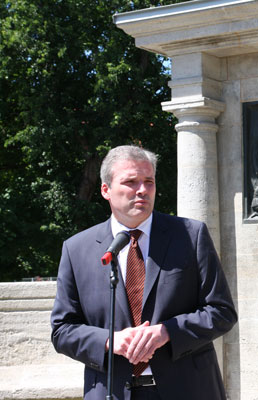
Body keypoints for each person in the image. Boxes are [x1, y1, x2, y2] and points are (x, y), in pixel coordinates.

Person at [50, 145, 237, 400]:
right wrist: (109, 341)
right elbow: (62, 330)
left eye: (149, 181)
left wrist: (167, 332)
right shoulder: (77, 249)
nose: (142, 190)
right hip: (111, 391)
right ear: (106, 190)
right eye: (130, 182)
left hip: (188, 389)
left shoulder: (190, 236)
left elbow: (221, 311)